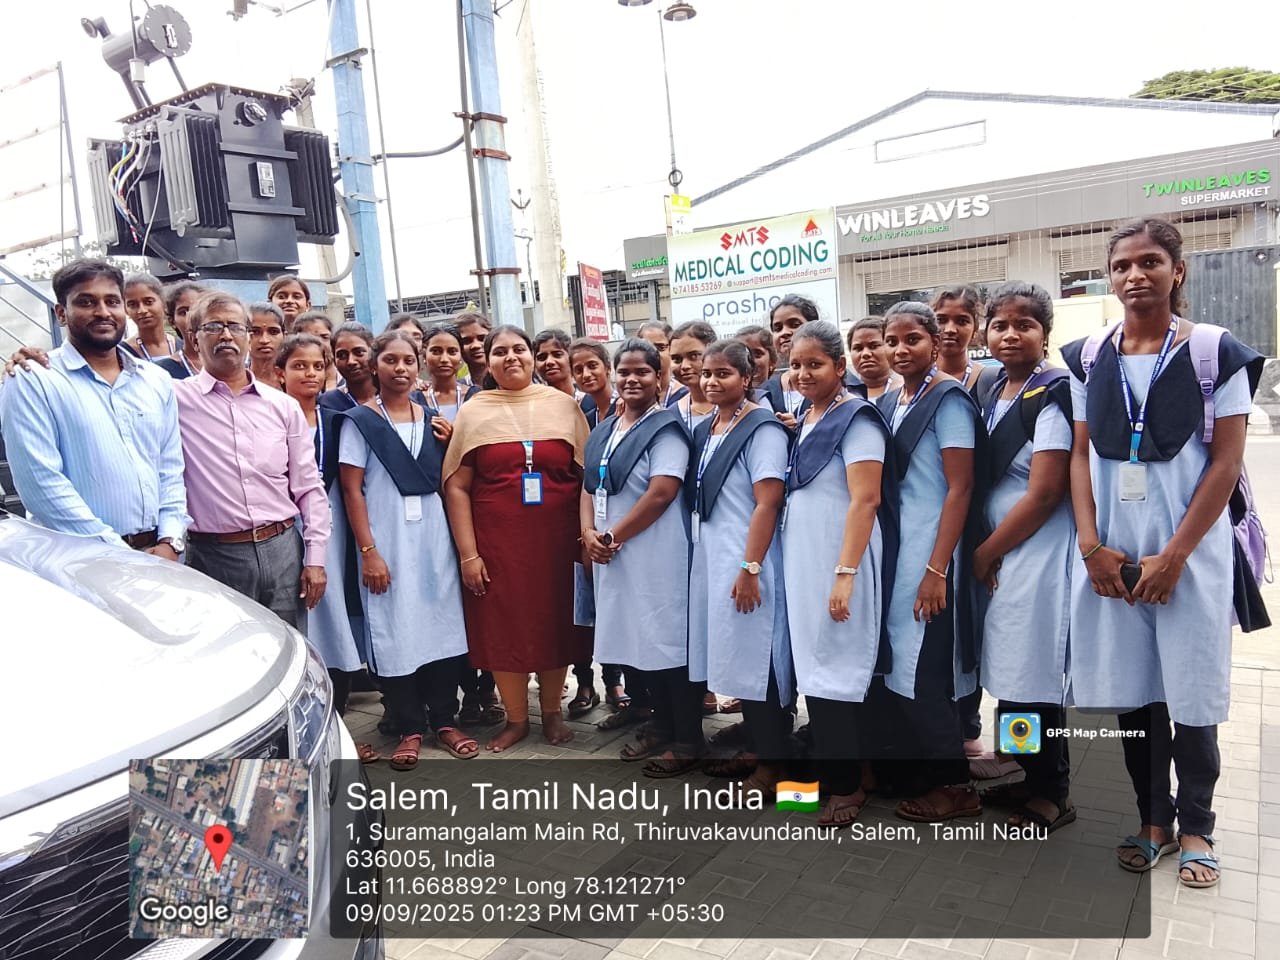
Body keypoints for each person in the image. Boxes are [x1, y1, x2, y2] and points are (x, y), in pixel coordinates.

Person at [1062, 218, 1262, 888]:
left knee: (1192, 693)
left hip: (1190, 556)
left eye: (1150, 262)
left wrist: (1174, 556)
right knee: (1134, 692)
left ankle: (1197, 825)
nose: (1135, 275)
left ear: (1178, 271)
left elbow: (1225, 464)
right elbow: (1081, 455)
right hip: (1113, 554)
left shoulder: (1214, 352)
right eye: (1122, 265)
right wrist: (1091, 545)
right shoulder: (1089, 356)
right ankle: (1153, 820)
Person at [442, 324, 591, 752]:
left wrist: (585, 536)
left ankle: (552, 713)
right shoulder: (473, 411)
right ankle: (517, 719)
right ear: (487, 362)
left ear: (532, 355)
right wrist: (468, 554)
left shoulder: (563, 406)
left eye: (520, 349)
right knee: (504, 625)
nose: (511, 357)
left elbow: (587, 478)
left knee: (556, 621)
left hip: (557, 540)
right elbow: (456, 486)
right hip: (496, 541)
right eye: (500, 351)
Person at [873, 300, 985, 823]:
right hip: (899, 554)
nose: (900, 349)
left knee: (924, 674)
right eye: (891, 341)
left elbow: (960, 488)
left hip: (932, 554)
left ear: (936, 342)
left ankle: (956, 787)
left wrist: (937, 570)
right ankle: (921, 772)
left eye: (912, 339)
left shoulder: (948, 400)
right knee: (902, 670)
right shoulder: (894, 400)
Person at [340, 330, 474, 767]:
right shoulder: (360, 421)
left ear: (418, 367)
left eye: (408, 361)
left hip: (434, 543)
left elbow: (452, 481)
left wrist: (450, 442)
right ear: (374, 365)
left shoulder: (432, 420)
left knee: (441, 628)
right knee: (396, 631)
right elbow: (353, 491)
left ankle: (445, 720)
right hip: (388, 542)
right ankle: (409, 726)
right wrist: (368, 551)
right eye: (390, 360)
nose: (400, 368)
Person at [971, 282, 1076, 832]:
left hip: (1036, 548)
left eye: (1024, 325)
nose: (1010, 335)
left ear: (1045, 333)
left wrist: (987, 552)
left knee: (1034, 669)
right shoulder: (994, 389)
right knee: (1012, 669)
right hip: (1003, 551)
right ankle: (1022, 772)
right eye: (1000, 325)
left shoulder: (1053, 393)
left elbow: (1045, 493)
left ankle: (1051, 791)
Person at [781, 322, 895, 827]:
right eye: (796, 365)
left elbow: (865, 499)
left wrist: (845, 573)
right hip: (806, 561)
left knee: (838, 670)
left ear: (839, 367)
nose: (803, 373)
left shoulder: (857, 420)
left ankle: (846, 787)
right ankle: (851, 775)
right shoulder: (809, 417)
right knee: (817, 667)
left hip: (841, 560)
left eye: (815, 364)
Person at [0, 258, 187, 558]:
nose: (103, 312)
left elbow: (170, 469)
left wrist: (171, 540)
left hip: (162, 555)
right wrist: (119, 551)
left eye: (112, 301)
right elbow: (41, 484)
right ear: (61, 313)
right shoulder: (33, 379)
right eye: (86, 302)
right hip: (81, 561)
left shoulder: (155, 380)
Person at [174, 291, 330, 628]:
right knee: (227, 649)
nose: (226, 335)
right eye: (213, 326)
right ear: (194, 338)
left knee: (291, 647)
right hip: (214, 557)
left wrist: (315, 558)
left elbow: (308, 487)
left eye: (235, 326)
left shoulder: (282, 406)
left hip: (283, 551)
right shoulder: (175, 400)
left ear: (247, 335)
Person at [581, 338, 698, 772]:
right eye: (625, 372)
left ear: (659, 377)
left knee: (667, 644)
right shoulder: (605, 430)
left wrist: (611, 537)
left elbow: (661, 493)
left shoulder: (665, 430)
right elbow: (588, 487)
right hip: (614, 555)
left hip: (656, 553)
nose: (632, 379)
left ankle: (688, 740)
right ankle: (660, 725)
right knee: (639, 643)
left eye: (642, 372)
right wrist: (588, 534)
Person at [687, 339, 791, 798]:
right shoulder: (709, 426)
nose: (712, 381)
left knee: (758, 661)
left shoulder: (761, 429)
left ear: (747, 378)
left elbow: (768, 501)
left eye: (724, 373)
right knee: (738, 658)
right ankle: (758, 748)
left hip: (748, 559)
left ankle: (774, 766)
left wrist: (751, 567)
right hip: (715, 557)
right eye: (707, 373)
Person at [278, 333, 371, 749]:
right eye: (299, 365)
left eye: (318, 366)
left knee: (333, 620)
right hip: (283, 526)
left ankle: (339, 726)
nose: (310, 374)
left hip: (331, 530)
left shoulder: (337, 419)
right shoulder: (271, 414)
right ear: (280, 372)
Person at [933, 285, 1000, 399]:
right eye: (941, 320)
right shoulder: (910, 382)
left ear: (975, 328)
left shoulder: (993, 381)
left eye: (961, 321)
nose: (950, 329)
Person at [422, 321, 479, 428]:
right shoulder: (414, 401)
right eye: (436, 351)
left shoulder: (477, 396)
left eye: (452, 351)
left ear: (461, 356)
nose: (444, 359)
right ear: (424, 356)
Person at [668, 321, 717, 433]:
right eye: (677, 359)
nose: (685, 366)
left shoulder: (737, 407)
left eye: (694, 356)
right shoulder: (672, 415)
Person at [155, 281, 207, 379]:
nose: (191, 317)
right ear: (172, 322)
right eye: (183, 312)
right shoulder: (161, 371)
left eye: (198, 309)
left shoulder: (228, 362)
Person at [122, 273, 180, 362]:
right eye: (132, 305)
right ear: (125, 310)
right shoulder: (122, 353)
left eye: (148, 302)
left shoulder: (182, 346)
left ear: (163, 303)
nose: (142, 310)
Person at [846, 317, 901, 399]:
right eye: (858, 348)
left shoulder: (906, 394)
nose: (865, 354)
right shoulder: (842, 396)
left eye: (874, 346)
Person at [572, 338, 618, 428]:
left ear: (608, 367)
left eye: (592, 366)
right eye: (579, 370)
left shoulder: (626, 407)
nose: (586, 375)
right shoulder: (587, 420)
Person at [291, 310, 338, 389]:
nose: (320, 344)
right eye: (311, 339)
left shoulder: (349, 377)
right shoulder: (289, 381)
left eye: (325, 337)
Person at [637, 321, 680, 405]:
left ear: (672, 349)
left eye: (660, 347)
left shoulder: (685, 396)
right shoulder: (628, 398)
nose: (654, 353)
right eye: (646, 348)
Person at [248, 302, 287, 387]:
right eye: (255, 332)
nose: (264, 340)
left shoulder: (293, 380)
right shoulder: (233, 381)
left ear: (284, 336)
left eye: (273, 332)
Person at [735, 325, 776, 398]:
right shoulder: (725, 401)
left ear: (772, 361)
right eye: (743, 355)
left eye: (757, 355)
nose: (750, 361)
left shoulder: (781, 397)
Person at [533, 328, 576, 397]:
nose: (549, 362)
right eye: (542, 358)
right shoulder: (533, 403)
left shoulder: (592, 400)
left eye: (557, 355)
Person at [455, 311, 493, 387]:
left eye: (482, 338)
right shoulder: (456, 390)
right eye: (466, 341)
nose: (476, 345)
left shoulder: (509, 384)